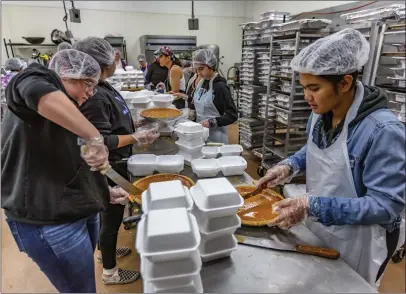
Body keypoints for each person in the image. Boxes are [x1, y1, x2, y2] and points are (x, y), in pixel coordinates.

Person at [256, 29, 405, 287]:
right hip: (324, 225)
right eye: (303, 88)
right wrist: (290, 165)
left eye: (314, 88)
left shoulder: (383, 131)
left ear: (345, 83)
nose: (306, 97)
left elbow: (385, 206)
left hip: (363, 239)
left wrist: (314, 206)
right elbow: (315, 150)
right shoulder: (320, 113)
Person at [1, 49, 111, 293]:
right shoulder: (34, 79)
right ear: (68, 74)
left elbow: (67, 162)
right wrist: (94, 137)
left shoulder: (66, 110)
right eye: (88, 84)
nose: (91, 93)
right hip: (48, 221)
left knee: (84, 284)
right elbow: (32, 88)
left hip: (76, 209)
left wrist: (104, 192)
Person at [73, 37, 160, 285]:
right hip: (108, 168)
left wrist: (135, 124)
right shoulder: (96, 95)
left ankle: (104, 249)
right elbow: (99, 141)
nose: (116, 60)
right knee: (111, 218)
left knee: (109, 217)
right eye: (112, 57)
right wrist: (135, 136)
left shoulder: (104, 86)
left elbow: (113, 121)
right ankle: (110, 271)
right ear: (103, 62)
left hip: (118, 162)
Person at [191, 49, 238, 143]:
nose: (198, 73)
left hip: (216, 137)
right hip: (202, 134)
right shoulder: (202, 82)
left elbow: (232, 115)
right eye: (196, 70)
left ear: (211, 66)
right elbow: (202, 103)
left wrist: (211, 122)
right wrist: (192, 114)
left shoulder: (219, 86)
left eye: (201, 69)